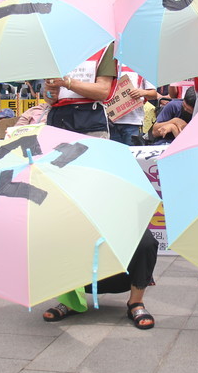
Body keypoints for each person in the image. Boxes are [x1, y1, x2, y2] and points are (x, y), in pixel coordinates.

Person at [41, 45, 159, 328]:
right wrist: (50, 89)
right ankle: (71, 296)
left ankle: (136, 301)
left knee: (140, 239)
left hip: (90, 123)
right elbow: (48, 98)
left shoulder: (103, 50)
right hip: (58, 125)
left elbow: (103, 92)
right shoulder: (53, 51)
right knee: (59, 217)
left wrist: (67, 82)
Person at [107, 65, 156, 146]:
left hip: (133, 122)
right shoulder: (110, 64)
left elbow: (153, 94)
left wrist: (143, 92)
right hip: (111, 121)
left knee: (132, 153)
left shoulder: (144, 67)